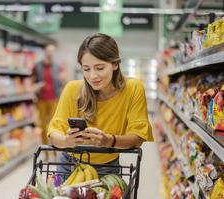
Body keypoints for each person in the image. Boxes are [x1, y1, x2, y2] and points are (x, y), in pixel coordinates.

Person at [47, 33, 154, 177]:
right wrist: (67, 140)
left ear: (115, 64)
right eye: (86, 69)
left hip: (107, 167)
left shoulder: (133, 88)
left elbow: (137, 137)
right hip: (68, 165)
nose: (93, 76)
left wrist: (109, 140)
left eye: (99, 68)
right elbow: (54, 133)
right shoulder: (72, 90)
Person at [33, 43, 65, 144]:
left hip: (54, 99)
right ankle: (45, 149)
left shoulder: (58, 67)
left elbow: (63, 81)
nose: (50, 53)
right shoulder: (37, 66)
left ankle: (54, 148)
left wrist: (62, 80)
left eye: (52, 51)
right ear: (45, 52)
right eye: (48, 51)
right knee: (42, 125)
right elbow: (31, 82)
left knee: (54, 125)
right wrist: (36, 87)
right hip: (41, 99)